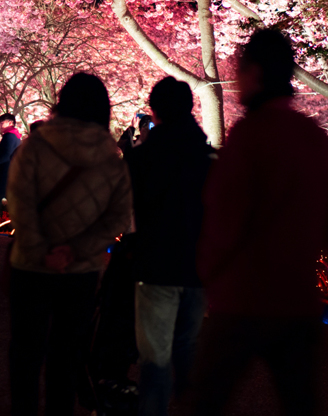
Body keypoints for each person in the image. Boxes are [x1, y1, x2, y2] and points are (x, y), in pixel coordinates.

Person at [192, 29, 328, 416]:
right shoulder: (317, 138)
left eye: (239, 71)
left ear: (257, 73)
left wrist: (207, 274)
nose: (236, 81)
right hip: (298, 300)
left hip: (242, 300)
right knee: (300, 403)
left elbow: (224, 220)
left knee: (205, 400)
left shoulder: (249, 136)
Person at [6, 72, 133, 416]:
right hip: (81, 269)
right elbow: (118, 216)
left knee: (26, 354)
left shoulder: (37, 144)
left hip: (31, 265)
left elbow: (19, 201)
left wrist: (44, 249)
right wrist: (75, 251)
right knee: (66, 355)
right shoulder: (111, 156)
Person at [127, 77, 214, 416]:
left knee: (155, 358)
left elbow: (127, 213)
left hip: (155, 266)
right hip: (197, 268)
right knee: (187, 349)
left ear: (154, 111)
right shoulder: (207, 159)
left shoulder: (141, 159)